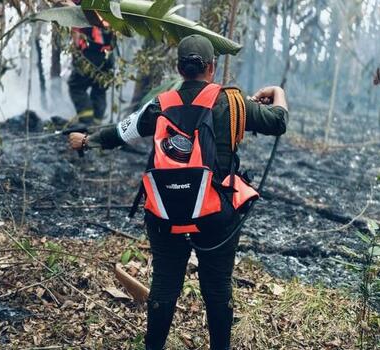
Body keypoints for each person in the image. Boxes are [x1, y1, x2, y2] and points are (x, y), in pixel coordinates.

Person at [68, 34, 288, 350]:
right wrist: (277, 91)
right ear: (212, 68)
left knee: (165, 283)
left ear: (178, 68)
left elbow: (121, 132)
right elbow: (278, 122)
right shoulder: (232, 101)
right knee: (217, 288)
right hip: (216, 213)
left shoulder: (160, 104)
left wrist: (87, 141)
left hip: (165, 211)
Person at [68, 5, 115, 125]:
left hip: (89, 55)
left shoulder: (81, 10)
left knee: (76, 86)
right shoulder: (107, 9)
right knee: (99, 88)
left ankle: (87, 121)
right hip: (107, 57)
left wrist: (76, 51)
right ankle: (96, 122)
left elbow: (76, 33)